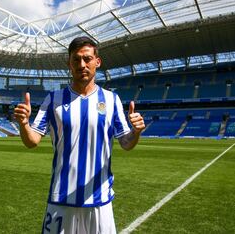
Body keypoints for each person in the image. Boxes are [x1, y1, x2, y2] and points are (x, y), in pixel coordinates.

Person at [14, 36, 145, 234]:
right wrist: (24, 124)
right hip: (61, 199)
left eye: (87, 59)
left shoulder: (112, 100)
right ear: (69, 63)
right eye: (76, 59)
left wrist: (136, 132)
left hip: (99, 201)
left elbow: (126, 143)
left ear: (97, 62)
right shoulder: (53, 99)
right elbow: (32, 141)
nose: (82, 64)